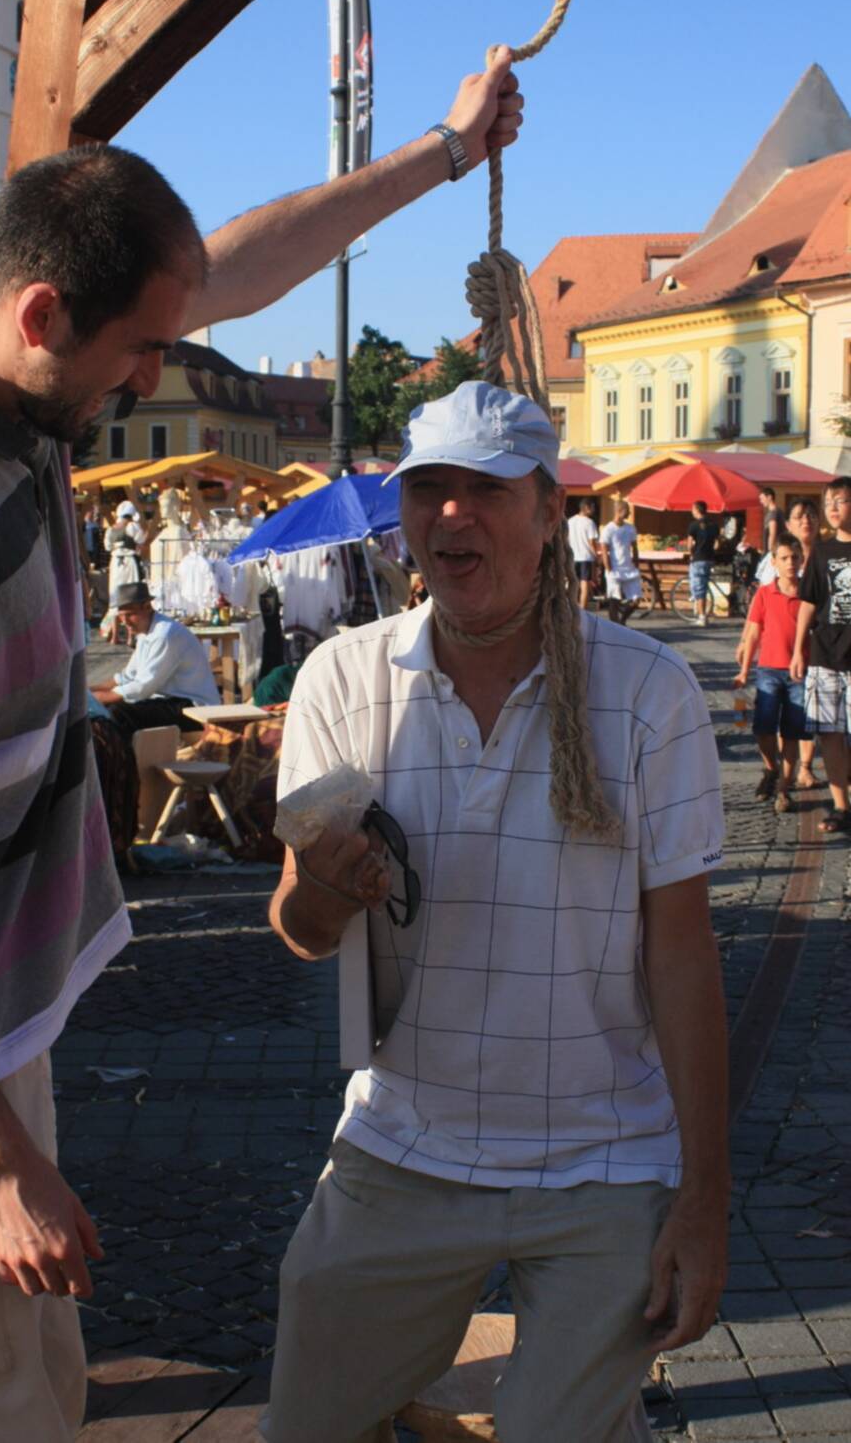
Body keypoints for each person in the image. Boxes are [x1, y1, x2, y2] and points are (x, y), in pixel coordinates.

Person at [0, 52, 522, 1442]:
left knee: (18, 1375)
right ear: (44, 313)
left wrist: (446, 153)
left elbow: (237, 267)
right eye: (140, 354)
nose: (157, 373)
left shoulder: (10, 357)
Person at [266, 382, 729, 1443]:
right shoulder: (344, 678)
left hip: (607, 1159)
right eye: (427, 487)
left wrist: (704, 1200)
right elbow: (298, 928)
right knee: (306, 1426)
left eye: (485, 488)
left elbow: (683, 954)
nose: (450, 514)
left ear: (549, 508)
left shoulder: (648, 690)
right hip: (402, 1143)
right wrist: (326, 886)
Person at [791, 477, 851, 834]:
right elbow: (809, 603)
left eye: (840, 501)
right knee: (829, 733)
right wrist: (798, 650)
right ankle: (841, 806)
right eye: (829, 501)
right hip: (825, 655)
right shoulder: (822, 552)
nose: (832, 508)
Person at [734, 534, 806, 813]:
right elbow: (753, 633)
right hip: (768, 670)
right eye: (784, 558)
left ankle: (784, 789)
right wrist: (743, 670)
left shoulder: (808, 593)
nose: (790, 563)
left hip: (799, 673)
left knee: (792, 732)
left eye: (795, 557)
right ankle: (770, 768)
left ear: (801, 560)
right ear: (774, 562)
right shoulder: (764, 593)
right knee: (763, 727)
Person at [90, 580, 220, 735]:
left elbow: (143, 687)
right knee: (107, 709)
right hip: (171, 701)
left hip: (195, 708)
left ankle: (127, 751)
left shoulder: (165, 635)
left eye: (130, 615)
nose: (125, 622)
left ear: (147, 607)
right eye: (121, 616)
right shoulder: (146, 632)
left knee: (119, 713)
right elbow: (127, 677)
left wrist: (103, 697)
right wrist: (90, 691)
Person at [600, 498, 643, 624]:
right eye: (627, 511)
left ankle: (622, 620)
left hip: (629, 569)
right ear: (619, 511)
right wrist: (608, 569)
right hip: (614, 568)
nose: (629, 513)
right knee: (614, 600)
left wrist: (636, 564)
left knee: (636, 599)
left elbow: (634, 548)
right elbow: (604, 550)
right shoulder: (608, 529)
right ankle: (614, 625)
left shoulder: (630, 528)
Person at [686, 500, 719, 626]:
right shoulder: (714, 525)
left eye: (693, 509)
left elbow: (689, 544)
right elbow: (717, 544)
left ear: (697, 510)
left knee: (699, 588)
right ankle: (700, 609)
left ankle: (702, 616)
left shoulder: (693, 525)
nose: (692, 512)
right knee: (703, 587)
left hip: (698, 558)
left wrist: (691, 554)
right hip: (709, 559)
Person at [566, 496, 601, 610]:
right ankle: (582, 609)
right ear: (586, 507)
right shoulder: (589, 523)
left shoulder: (570, 521)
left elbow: (566, 539)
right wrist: (596, 556)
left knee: (572, 583)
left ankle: (570, 606)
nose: (594, 510)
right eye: (592, 507)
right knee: (585, 584)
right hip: (586, 557)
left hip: (572, 556)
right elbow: (592, 542)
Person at [759, 485, 783, 556]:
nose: (761, 501)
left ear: (769, 497)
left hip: (772, 551)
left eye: (762, 499)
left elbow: (772, 533)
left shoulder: (773, 513)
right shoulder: (779, 511)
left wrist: (770, 552)